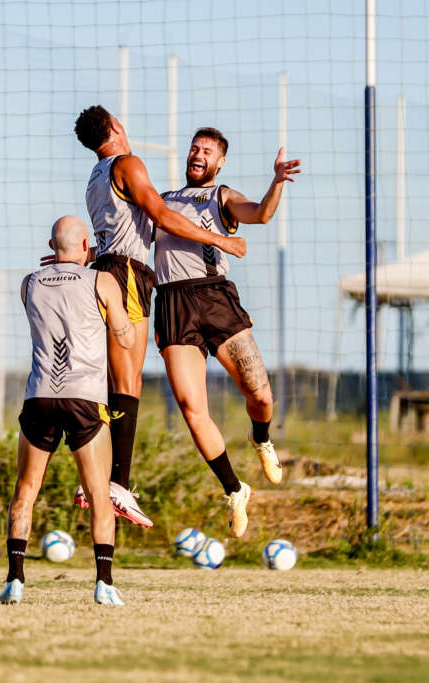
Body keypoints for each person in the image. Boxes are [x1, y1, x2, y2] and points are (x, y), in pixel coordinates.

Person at [69, 105, 248, 527]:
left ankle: (97, 478)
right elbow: (161, 216)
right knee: (127, 383)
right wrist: (221, 242)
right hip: (128, 275)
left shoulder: (95, 177)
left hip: (105, 271)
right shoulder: (128, 164)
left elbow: (118, 231)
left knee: (110, 383)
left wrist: (84, 255)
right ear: (115, 127)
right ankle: (117, 484)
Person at [154, 127, 301, 537]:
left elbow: (261, 214)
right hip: (173, 303)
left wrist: (276, 183)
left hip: (214, 297)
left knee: (260, 394)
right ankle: (235, 490)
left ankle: (262, 440)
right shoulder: (162, 202)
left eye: (207, 151)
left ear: (219, 163)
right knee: (190, 406)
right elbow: (131, 240)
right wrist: (89, 254)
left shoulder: (221, 195)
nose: (197, 154)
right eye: (194, 148)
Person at [0, 215, 134, 606]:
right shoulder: (101, 281)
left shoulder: (28, 283)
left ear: (50, 245)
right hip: (84, 397)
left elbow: (51, 294)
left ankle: (15, 581)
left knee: (25, 491)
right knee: (98, 494)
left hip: (39, 396)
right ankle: (104, 584)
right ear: (86, 245)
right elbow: (125, 339)